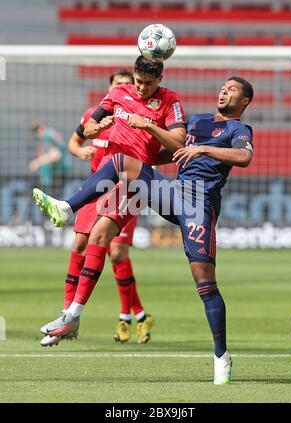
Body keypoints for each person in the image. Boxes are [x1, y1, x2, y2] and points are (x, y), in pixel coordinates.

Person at [33, 75, 253, 385]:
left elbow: (244, 157)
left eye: (232, 90)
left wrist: (203, 150)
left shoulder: (238, 130)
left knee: (205, 283)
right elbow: (171, 152)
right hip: (174, 191)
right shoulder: (198, 121)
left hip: (199, 205)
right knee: (121, 164)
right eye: (223, 87)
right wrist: (144, 149)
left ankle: (221, 356)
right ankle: (66, 209)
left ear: (243, 102)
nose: (223, 91)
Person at [34, 55, 187, 346]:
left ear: (160, 80)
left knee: (108, 244)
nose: (141, 88)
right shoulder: (117, 94)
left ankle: (66, 207)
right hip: (104, 180)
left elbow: (178, 143)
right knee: (93, 240)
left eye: (148, 84)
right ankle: (71, 316)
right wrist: (100, 126)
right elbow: (86, 131)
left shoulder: (170, 100)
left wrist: (148, 126)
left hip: (135, 179)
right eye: (138, 82)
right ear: (133, 74)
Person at [28, 118, 71, 194]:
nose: (35, 133)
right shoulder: (43, 138)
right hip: (54, 177)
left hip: (59, 175)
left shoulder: (48, 135)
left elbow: (55, 155)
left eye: (36, 129)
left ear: (41, 127)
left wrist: (37, 163)